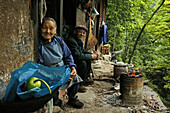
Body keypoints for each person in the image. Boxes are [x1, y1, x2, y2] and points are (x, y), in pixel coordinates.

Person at [38, 17, 84, 109]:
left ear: (55, 30)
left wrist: (72, 67)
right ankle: (56, 101)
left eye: (51, 28)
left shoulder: (58, 40)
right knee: (52, 90)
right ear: (40, 29)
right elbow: (41, 66)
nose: (48, 31)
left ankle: (72, 98)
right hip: (50, 72)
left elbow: (68, 55)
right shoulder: (39, 44)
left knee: (75, 79)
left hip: (63, 69)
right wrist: (58, 77)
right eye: (45, 27)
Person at [65, 25, 99, 92]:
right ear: (75, 32)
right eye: (80, 32)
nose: (82, 34)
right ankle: (78, 84)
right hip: (70, 61)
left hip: (76, 58)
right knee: (82, 63)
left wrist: (92, 55)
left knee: (88, 59)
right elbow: (77, 56)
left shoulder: (79, 41)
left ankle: (84, 79)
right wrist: (91, 56)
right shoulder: (71, 40)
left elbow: (83, 51)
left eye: (83, 33)